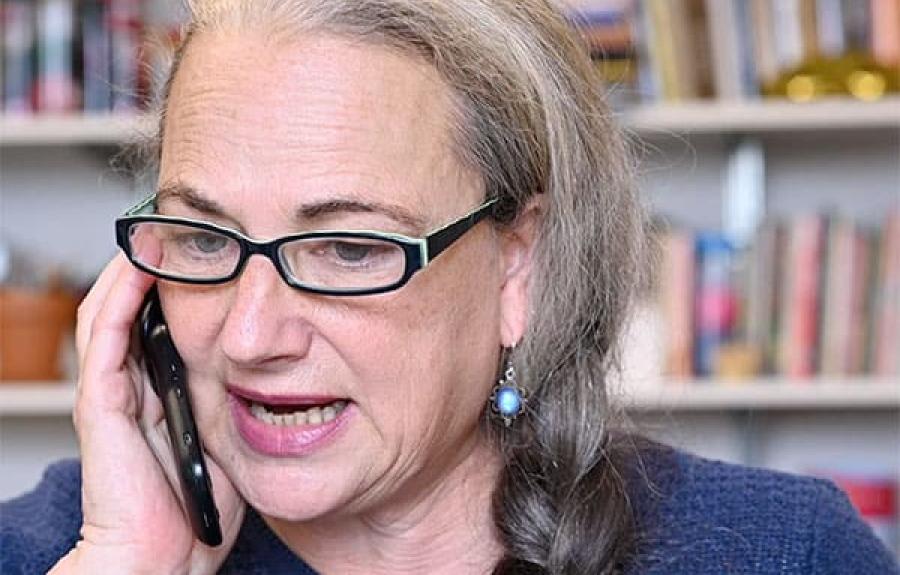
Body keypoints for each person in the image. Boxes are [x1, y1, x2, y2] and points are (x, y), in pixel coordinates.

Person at [2, 1, 897, 573]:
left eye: (349, 247)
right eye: (205, 235)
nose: (248, 335)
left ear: (521, 265)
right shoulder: (56, 547)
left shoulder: (774, 553)